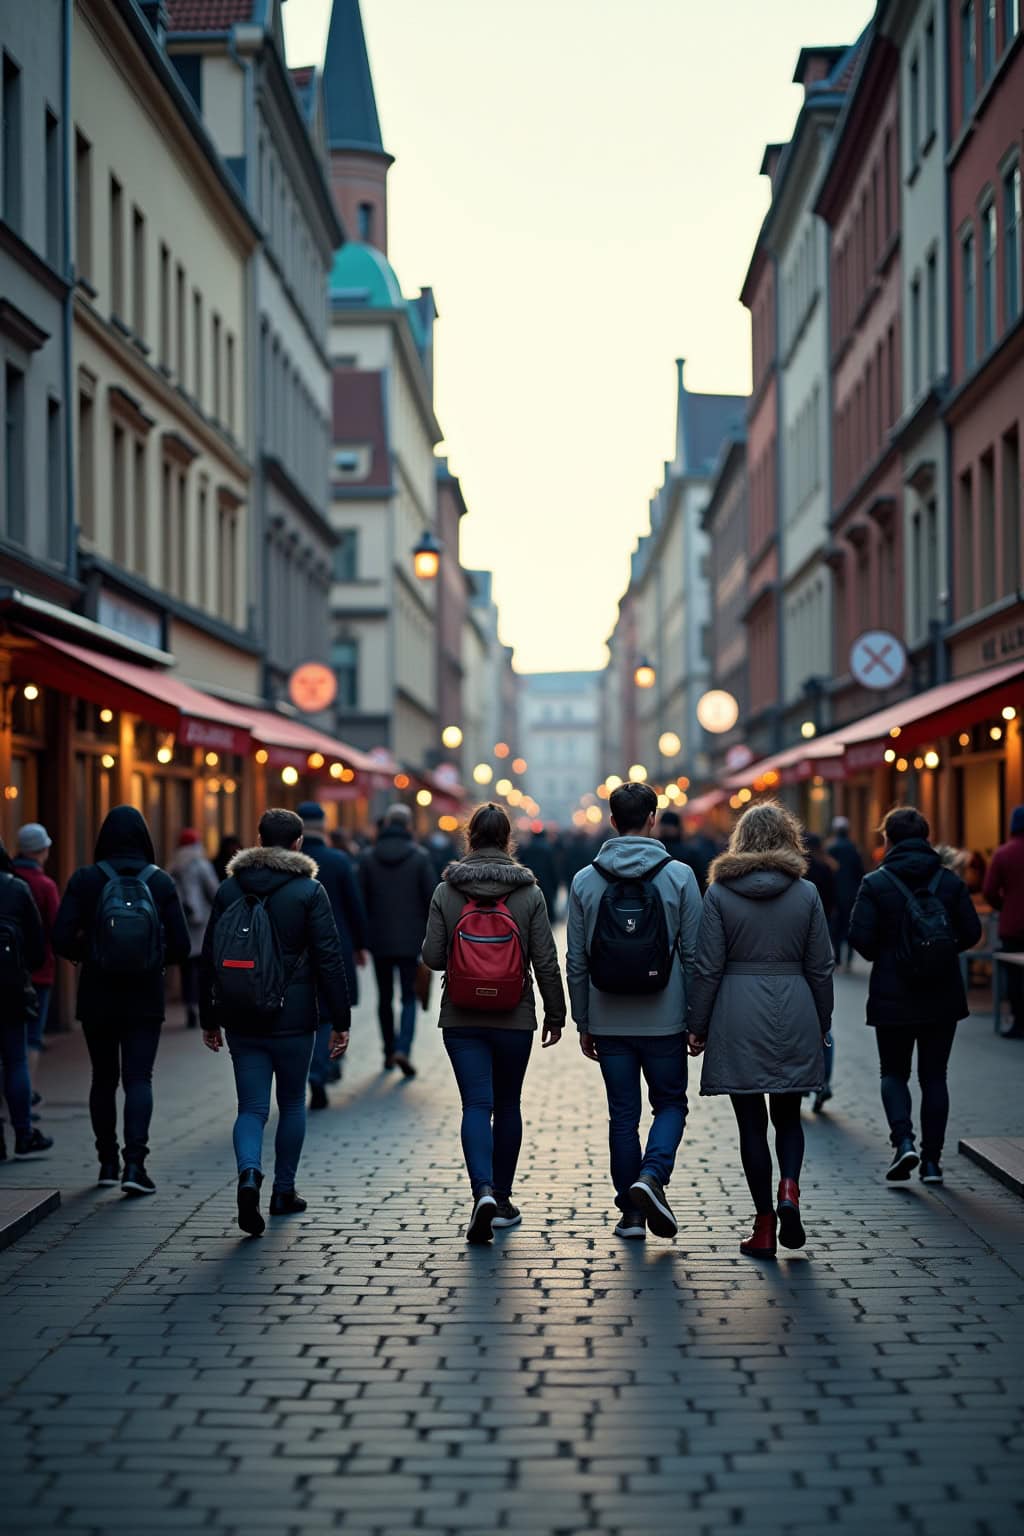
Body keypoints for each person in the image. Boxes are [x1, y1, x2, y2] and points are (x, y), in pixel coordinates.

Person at [687, 802, 834, 1259]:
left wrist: (698, 1025)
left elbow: (707, 966)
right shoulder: (806, 893)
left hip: (737, 1009)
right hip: (794, 1006)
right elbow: (822, 965)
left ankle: (764, 1224)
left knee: (751, 1125)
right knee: (788, 1115)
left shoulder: (719, 893)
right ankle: (789, 1188)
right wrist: (822, 1021)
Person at [199, 807, 350, 1236]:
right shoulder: (308, 891)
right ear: (299, 843)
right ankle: (283, 1190)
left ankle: (249, 1173)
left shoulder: (230, 888)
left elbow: (209, 957)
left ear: (259, 838)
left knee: (250, 1108)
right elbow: (328, 958)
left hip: (241, 1017)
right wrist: (340, 1019)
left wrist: (208, 1016)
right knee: (293, 1103)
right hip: (295, 1018)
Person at [422, 803, 566, 1242]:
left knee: (475, 1106)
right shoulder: (529, 892)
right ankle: (501, 1199)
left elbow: (430, 957)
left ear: (469, 838)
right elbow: (545, 959)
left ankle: (480, 1190)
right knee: (507, 1106)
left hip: (461, 1016)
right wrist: (557, 1014)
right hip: (513, 1013)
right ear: (508, 840)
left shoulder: (447, 890)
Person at [566, 781, 703, 1242]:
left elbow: (577, 960)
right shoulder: (680, 876)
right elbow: (696, 954)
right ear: (653, 820)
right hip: (665, 1017)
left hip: (609, 1017)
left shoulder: (585, 880)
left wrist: (583, 1020)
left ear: (610, 822)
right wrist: (697, 1017)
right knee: (670, 1103)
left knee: (622, 1116)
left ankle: (631, 1214)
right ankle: (653, 1175)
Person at [53, 805, 190, 1193]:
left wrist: (90, 954)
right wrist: (151, 959)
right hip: (144, 997)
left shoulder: (85, 879)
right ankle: (136, 1165)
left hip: (97, 993)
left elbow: (60, 937)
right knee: (138, 1078)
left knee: (103, 1078)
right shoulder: (159, 883)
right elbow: (180, 945)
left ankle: (107, 1162)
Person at [849, 806, 982, 1185]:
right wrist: (939, 950)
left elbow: (860, 938)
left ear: (887, 839)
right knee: (934, 1076)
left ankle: (903, 1139)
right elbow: (972, 933)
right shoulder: (950, 882)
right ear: (926, 838)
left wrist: (889, 955)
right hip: (942, 995)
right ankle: (932, 1163)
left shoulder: (875, 883)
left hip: (892, 994)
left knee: (893, 1072)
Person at [296, 802, 368, 1108]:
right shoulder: (338, 861)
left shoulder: (291, 862)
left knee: (304, 1011)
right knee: (329, 1010)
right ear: (323, 826)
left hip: (295, 949)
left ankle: (313, 1068)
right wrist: (362, 944)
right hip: (336, 945)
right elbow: (355, 906)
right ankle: (323, 1067)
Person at [359, 805, 435, 1076]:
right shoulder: (419, 857)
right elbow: (431, 899)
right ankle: (403, 1047)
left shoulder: (368, 857)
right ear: (408, 827)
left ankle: (388, 1051)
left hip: (378, 939)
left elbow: (361, 901)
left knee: (384, 998)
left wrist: (362, 939)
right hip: (411, 940)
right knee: (409, 997)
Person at [0, 838, 50, 1159]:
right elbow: (36, 944)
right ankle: (23, 1133)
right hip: (10, 988)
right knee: (16, 1060)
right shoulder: (16, 889)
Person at [12, 823, 60, 1056]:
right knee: (31, 1037)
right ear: (42, 850)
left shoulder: (7, 880)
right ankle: (25, 1090)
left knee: (9, 1038)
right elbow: (57, 927)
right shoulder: (45, 886)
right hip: (39, 971)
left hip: (6, 968)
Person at [169, 829, 219, 1030]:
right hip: (201, 924)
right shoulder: (201, 864)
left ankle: (190, 1005)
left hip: (182, 924)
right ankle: (200, 1006)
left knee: (186, 970)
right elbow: (214, 891)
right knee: (202, 969)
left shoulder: (172, 867)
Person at [983, 806, 1024, 1039]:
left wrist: (1004, 906)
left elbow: (989, 890)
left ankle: (1019, 1021)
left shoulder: (1003, 853)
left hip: (1013, 926)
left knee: (1015, 977)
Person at [804, 832, 838, 1111]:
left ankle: (804, 1082)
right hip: (818, 941)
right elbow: (832, 902)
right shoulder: (825, 868)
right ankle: (823, 1081)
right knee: (822, 1027)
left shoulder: (797, 875)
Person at [827, 815, 865, 968]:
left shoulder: (831, 848)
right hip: (851, 892)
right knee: (849, 924)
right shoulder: (853, 848)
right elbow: (859, 871)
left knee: (835, 925)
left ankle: (837, 957)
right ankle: (848, 958)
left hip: (835, 893)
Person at [519, 827, 558, 921]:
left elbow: (521, 865)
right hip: (546, 883)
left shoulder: (527, 849)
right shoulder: (548, 849)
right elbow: (552, 869)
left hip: (530, 882)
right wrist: (555, 885)